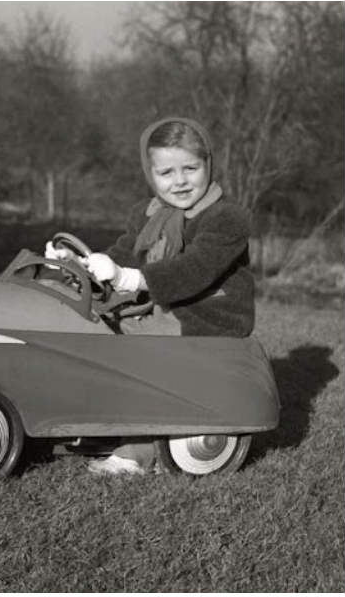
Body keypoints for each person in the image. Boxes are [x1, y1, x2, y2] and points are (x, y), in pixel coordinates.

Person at [46, 117, 255, 475]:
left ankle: (136, 451)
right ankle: (90, 420)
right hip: (161, 306)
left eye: (191, 168)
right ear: (151, 173)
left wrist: (128, 278)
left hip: (206, 315)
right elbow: (124, 254)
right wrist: (81, 263)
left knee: (140, 356)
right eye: (166, 172)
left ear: (209, 165)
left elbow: (193, 270)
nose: (180, 181)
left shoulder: (226, 218)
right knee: (93, 331)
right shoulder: (148, 214)